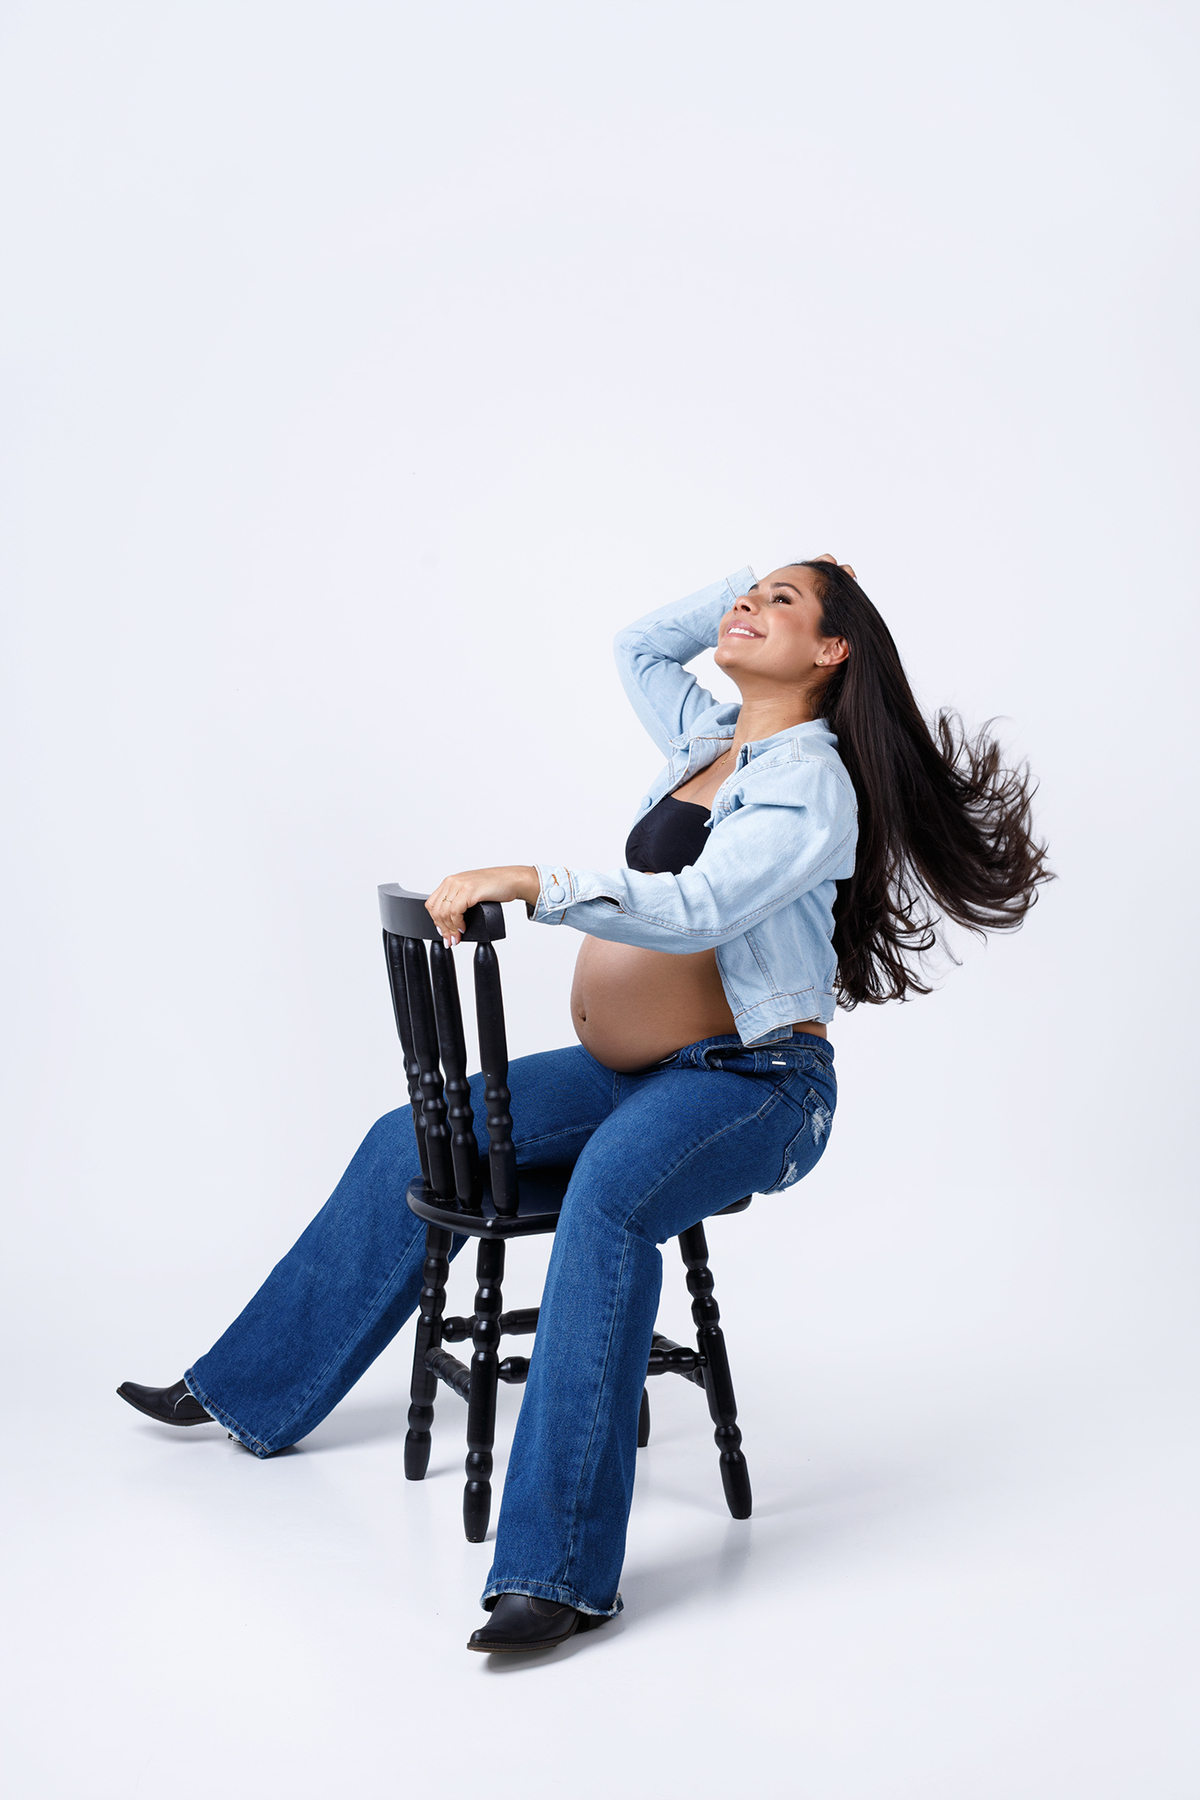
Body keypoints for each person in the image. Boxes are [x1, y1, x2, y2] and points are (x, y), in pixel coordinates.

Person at [118, 556, 1049, 1652]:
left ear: (832, 651)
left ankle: (555, 1573)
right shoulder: (709, 738)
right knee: (410, 1136)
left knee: (607, 1198)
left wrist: (536, 883)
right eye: (747, 596)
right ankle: (247, 1391)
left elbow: (699, 906)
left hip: (756, 1084)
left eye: (781, 603)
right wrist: (753, 583)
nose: (747, 609)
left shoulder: (811, 784)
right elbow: (637, 646)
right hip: (638, 1071)